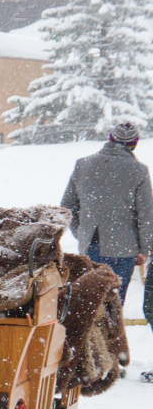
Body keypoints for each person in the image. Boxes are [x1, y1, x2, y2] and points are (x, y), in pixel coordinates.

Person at [61, 120, 153, 305]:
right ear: (133, 144)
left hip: (90, 246)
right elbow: (146, 216)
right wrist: (144, 250)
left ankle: (94, 333)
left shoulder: (83, 164)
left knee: (91, 304)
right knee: (114, 304)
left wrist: (81, 232)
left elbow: (67, 205)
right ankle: (111, 331)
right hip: (124, 249)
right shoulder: (139, 171)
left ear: (110, 139)